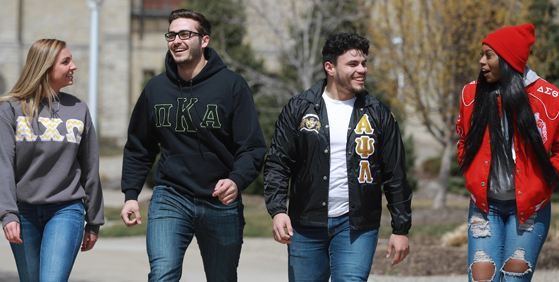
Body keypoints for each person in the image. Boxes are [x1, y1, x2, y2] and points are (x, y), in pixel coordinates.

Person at [120, 8, 267, 282]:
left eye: (185, 34)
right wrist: (130, 194)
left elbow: (252, 147)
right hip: (170, 196)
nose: (177, 40)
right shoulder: (155, 89)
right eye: (172, 35)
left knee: (222, 278)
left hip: (221, 200)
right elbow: (139, 146)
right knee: (163, 274)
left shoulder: (232, 86)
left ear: (205, 40)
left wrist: (236, 181)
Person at [264, 32, 412, 281]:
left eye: (364, 63)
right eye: (353, 64)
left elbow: (395, 174)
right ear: (330, 68)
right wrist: (278, 210)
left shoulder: (378, 114)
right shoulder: (299, 107)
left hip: (356, 227)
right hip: (305, 224)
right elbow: (278, 163)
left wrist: (401, 229)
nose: (362, 69)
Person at [456, 24, 559, 282]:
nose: (481, 61)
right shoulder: (471, 93)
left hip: (529, 208)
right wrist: (468, 169)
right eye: (482, 54)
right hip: (483, 206)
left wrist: (543, 182)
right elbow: (463, 138)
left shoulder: (550, 98)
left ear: (509, 59)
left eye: (488, 55)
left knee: (514, 279)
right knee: (482, 279)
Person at [0, 39, 104, 282]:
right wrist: (8, 214)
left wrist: (94, 221)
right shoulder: (11, 110)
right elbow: (3, 165)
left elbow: (90, 166)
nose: (74, 66)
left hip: (66, 209)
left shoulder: (79, 109)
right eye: (66, 62)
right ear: (45, 68)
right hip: (23, 211)